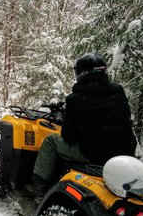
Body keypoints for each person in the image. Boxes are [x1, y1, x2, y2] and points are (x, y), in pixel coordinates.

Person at [24, 52, 137, 198]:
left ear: (81, 74)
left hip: (94, 154)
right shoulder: (118, 91)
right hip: (123, 152)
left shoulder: (76, 99)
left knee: (51, 141)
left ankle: (38, 186)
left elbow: (68, 136)